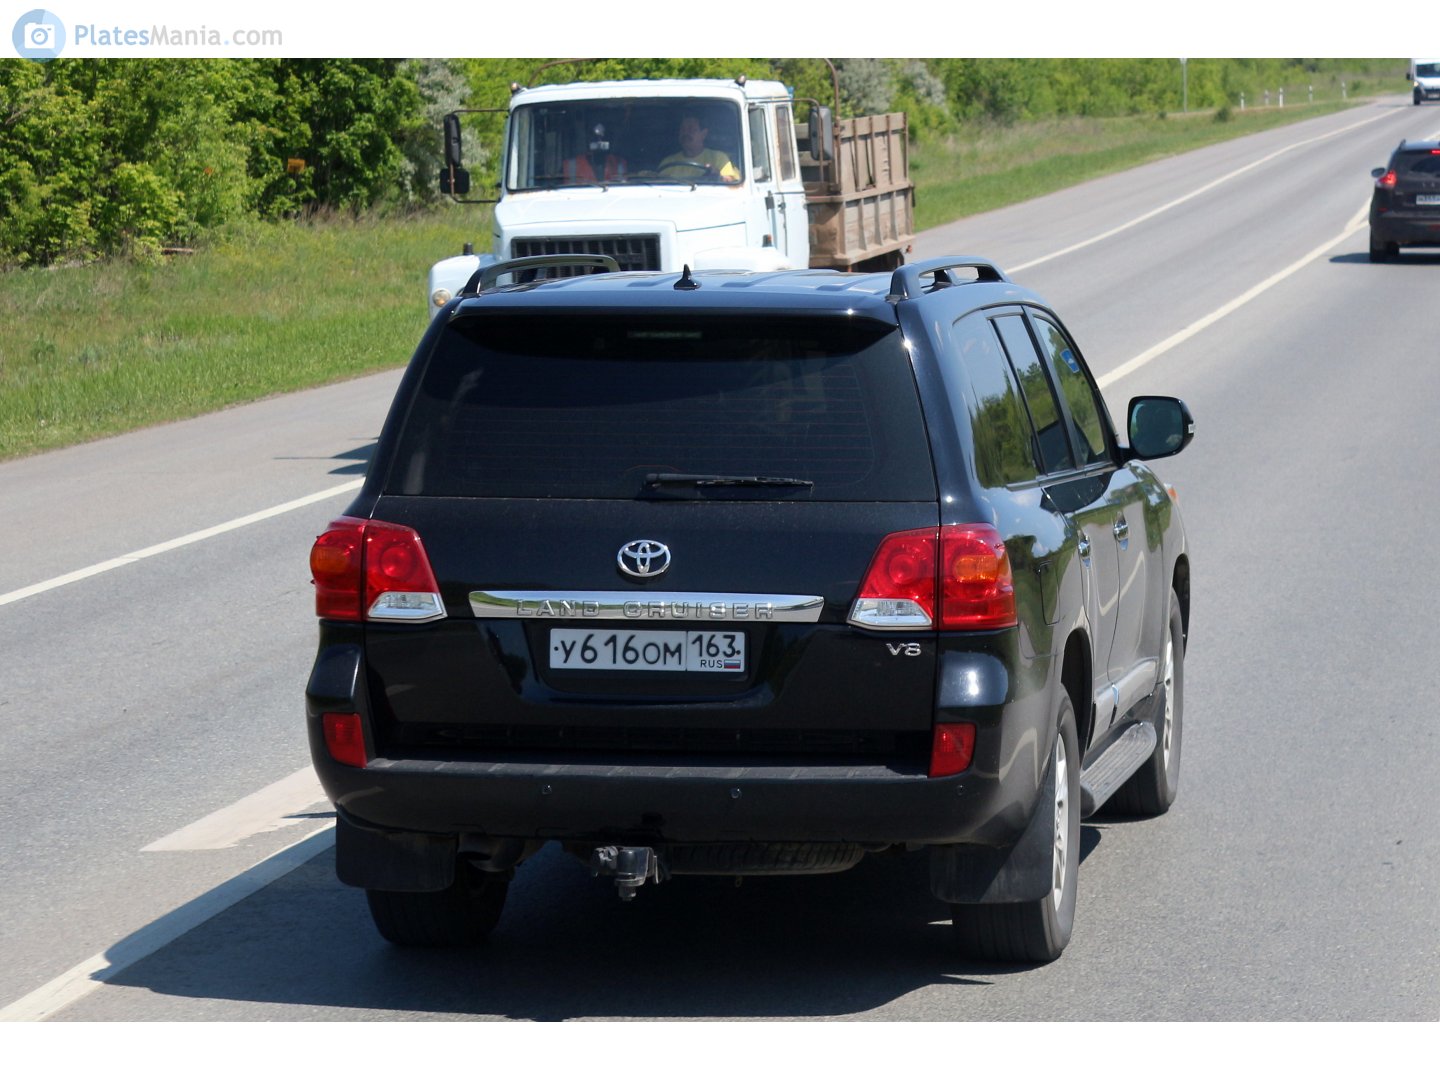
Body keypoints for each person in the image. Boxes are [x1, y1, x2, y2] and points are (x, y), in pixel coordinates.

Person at [658, 114, 739, 182]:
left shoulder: (718, 158)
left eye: (691, 129)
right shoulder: (668, 162)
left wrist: (718, 176)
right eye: (683, 129)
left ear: (703, 134)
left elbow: (731, 183)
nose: (686, 133)